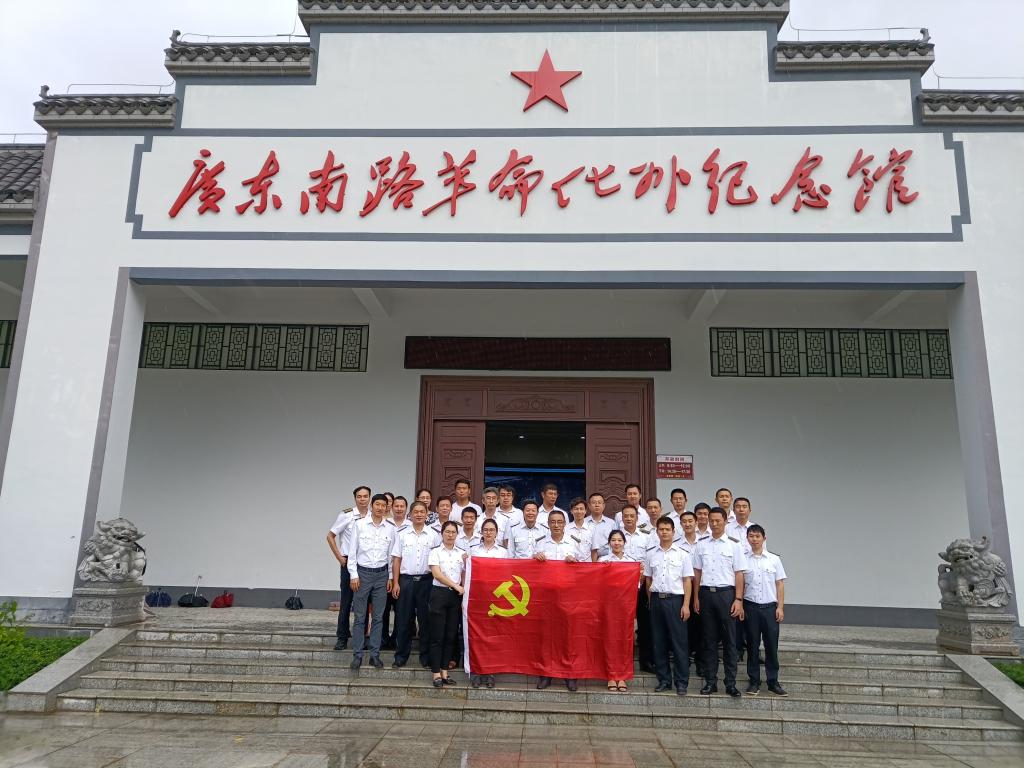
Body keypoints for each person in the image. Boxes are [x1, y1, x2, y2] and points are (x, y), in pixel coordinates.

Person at [692, 507, 747, 697]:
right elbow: (697, 572)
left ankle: (730, 683)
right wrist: (696, 597)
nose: (714, 524)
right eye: (712, 521)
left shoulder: (734, 545)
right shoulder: (702, 544)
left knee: (730, 641)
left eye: (718, 521)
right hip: (706, 594)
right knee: (709, 640)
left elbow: (739, 574)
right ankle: (710, 682)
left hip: (727, 595)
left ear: (725, 522)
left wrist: (738, 600)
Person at [643, 516, 693, 696]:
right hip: (657, 600)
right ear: (657, 532)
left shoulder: (682, 554)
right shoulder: (651, 554)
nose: (664, 532)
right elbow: (648, 579)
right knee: (659, 642)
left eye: (667, 529)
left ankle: (681, 682)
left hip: (675, 601)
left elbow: (687, 581)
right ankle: (664, 680)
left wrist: (686, 605)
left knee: (679, 642)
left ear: (673, 532)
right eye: (661, 529)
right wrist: (651, 600)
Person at [347, 493, 396, 669]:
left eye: (383, 505)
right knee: (360, 617)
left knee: (378, 617)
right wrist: (353, 575)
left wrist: (390, 577)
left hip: (381, 576)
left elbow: (391, 556)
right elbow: (352, 552)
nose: (380, 508)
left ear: (386, 508)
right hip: (363, 574)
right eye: (377, 504)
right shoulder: (359, 525)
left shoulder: (390, 528)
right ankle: (357, 655)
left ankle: (375, 655)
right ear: (372, 506)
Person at [534, 510, 579, 692]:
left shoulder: (574, 543)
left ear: (565, 524)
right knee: (546, 636)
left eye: (560, 522)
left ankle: (569, 674)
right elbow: (530, 569)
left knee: (568, 635)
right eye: (553, 522)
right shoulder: (540, 544)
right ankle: (546, 673)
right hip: (545, 597)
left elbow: (584, 569)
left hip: (568, 596)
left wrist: (574, 562)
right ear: (548, 524)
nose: (556, 525)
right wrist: (535, 558)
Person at [390, 501, 438, 669]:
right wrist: (396, 582)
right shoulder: (402, 534)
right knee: (404, 620)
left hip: (427, 581)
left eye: (422, 512)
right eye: (415, 512)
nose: (418, 514)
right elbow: (397, 559)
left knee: (426, 621)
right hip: (406, 581)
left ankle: (426, 657)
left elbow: (437, 561)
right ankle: (401, 656)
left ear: (427, 514)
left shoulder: (433, 535)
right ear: (410, 515)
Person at [743, 524, 788, 697]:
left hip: (770, 609)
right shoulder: (743, 559)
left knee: (771, 646)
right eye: (751, 536)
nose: (754, 539)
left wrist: (780, 607)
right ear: (747, 538)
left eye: (757, 536)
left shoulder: (774, 559)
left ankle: (773, 681)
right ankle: (754, 681)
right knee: (752, 646)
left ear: (764, 538)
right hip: (750, 608)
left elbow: (780, 584)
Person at [327, 485, 370, 651]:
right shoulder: (346, 515)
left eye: (365, 496)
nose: (362, 499)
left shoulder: (372, 516)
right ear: (355, 498)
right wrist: (339, 557)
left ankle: (362, 637)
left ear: (369, 497)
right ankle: (342, 637)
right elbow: (330, 536)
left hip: (365, 564)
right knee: (346, 601)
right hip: (348, 563)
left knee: (364, 603)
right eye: (359, 496)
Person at [599, 530, 640, 692]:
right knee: (609, 639)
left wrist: (639, 574)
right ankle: (610, 675)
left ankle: (622, 676)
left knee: (625, 639)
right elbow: (596, 584)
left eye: (619, 540)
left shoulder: (631, 562)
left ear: (624, 542)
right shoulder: (603, 561)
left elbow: (636, 586)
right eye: (613, 540)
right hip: (608, 606)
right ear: (609, 543)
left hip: (626, 606)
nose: (616, 543)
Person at [469, 518, 507, 689]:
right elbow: (467, 573)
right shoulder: (473, 551)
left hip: (496, 599)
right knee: (476, 635)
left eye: (492, 530)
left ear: (497, 533)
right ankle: (476, 671)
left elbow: (507, 574)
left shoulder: (503, 552)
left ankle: (491, 671)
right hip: (477, 598)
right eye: (486, 530)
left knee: (493, 636)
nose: (489, 532)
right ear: (481, 532)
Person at [427, 521, 465, 688]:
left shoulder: (462, 554)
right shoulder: (435, 552)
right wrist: (456, 586)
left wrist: (461, 588)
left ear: (457, 534)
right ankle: (436, 672)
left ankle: (444, 671)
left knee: (450, 635)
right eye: (447, 532)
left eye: (453, 532)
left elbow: (464, 574)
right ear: (442, 533)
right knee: (437, 635)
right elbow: (437, 574)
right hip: (439, 595)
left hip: (455, 597)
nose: (450, 535)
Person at [620, 505, 654, 674]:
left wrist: (643, 576)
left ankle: (646, 661)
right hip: (622, 587)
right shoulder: (617, 536)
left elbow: (651, 559)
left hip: (642, 584)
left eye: (631, 516)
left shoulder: (646, 536)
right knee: (621, 623)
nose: (628, 518)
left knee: (645, 623)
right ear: (622, 518)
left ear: (637, 518)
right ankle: (621, 660)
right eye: (625, 516)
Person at [677, 510, 705, 678]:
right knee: (684, 627)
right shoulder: (676, 544)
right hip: (683, 589)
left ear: (696, 523)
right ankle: (684, 660)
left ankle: (701, 662)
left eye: (690, 521)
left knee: (701, 628)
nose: (687, 524)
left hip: (701, 588)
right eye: (684, 522)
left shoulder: (704, 542)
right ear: (681, 524)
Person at [381, 495, 411, 650]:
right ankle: (383, 639)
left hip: (403, 576)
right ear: (391, 508)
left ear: (406, 508)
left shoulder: (411, 525)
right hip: (386, 575)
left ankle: (397, 640)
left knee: (401, 611)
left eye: (402, 506)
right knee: (383, 610)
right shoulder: (385, 524)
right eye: (396, 506)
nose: (399, 509)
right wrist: (389, 576)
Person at [586, 492, 616, 561]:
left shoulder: (611, 523)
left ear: (604, 505)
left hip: (607, 560)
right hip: (587, 559)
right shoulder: (583, 523)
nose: (597, 505)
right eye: (594, 502)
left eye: (599, 502)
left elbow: (615, 541)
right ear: (589, 506)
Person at [565, 497, 595, 563]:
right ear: (571, 511)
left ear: (585, 511)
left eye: (581, 509)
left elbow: (594, 551)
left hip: (587, 565)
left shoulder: (592, 528)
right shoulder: (566, 529)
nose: (579, 512)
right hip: (571, 564)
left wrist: (594, 566)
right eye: (576, 509)